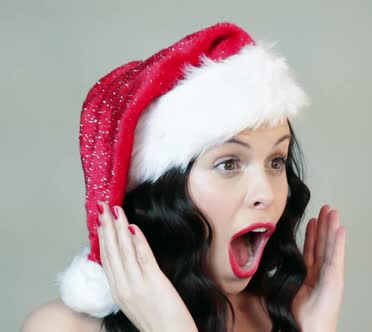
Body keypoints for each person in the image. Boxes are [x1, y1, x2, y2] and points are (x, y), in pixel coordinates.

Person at [22, 22, 346, 332]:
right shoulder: (62, 327)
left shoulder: (280, 318)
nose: (269, 194)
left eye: (276, 161)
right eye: (229, 164)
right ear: (162, 191)